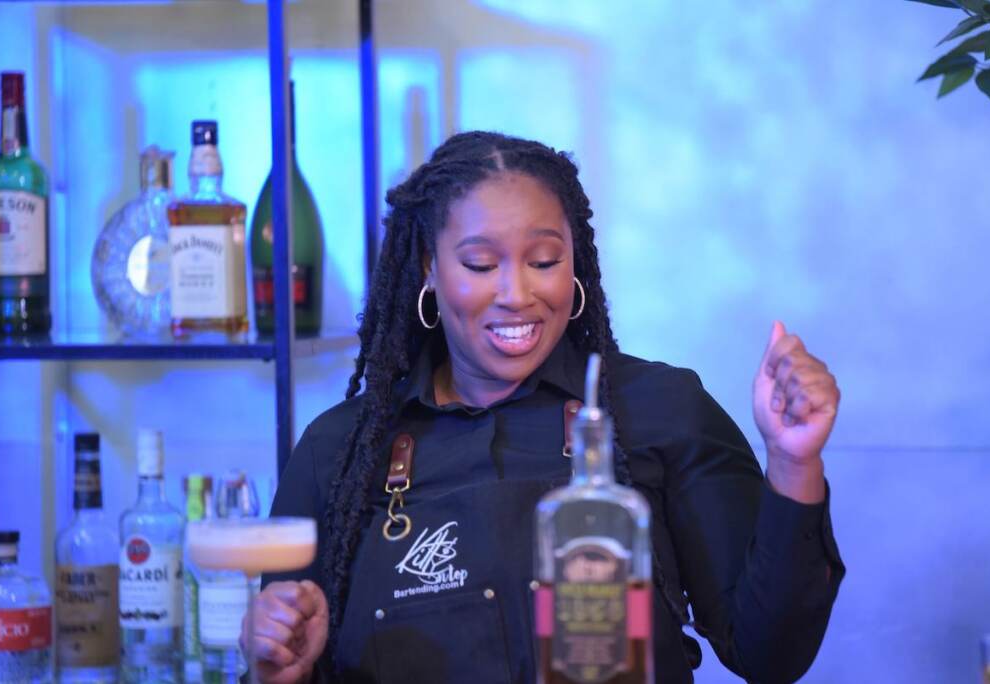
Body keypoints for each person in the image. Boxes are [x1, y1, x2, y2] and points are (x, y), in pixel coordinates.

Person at [246, 131, 845, 684]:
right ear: (429, 267)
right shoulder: (341, 452)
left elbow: (771, 654)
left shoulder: (662, 409)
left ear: (575, 262)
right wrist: (279, 668)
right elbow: (288, 654)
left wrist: (794, 463)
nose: (517, 294)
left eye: (544, 261)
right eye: (481, 265)